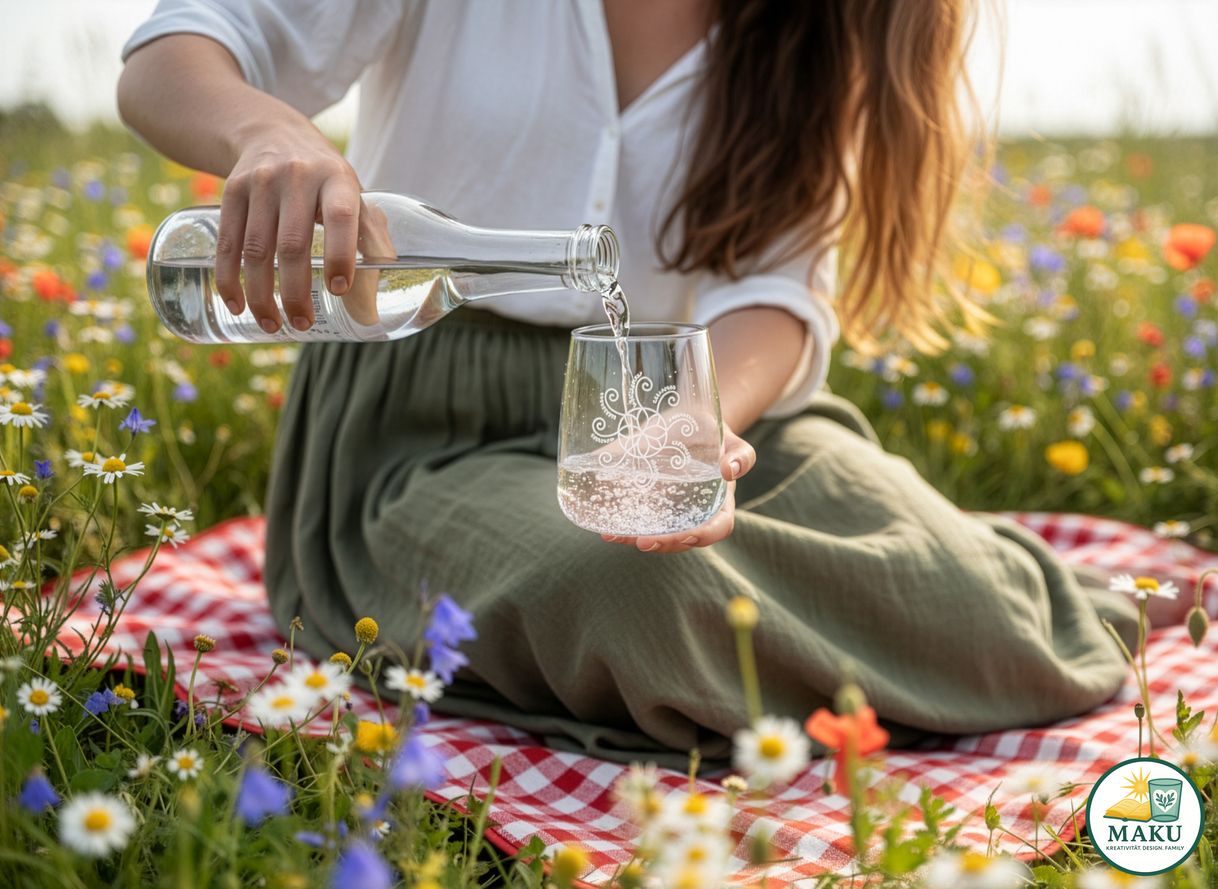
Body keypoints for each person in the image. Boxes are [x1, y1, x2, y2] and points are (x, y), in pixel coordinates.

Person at [119, 0, 1153, 768]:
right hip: (427, 430)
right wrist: (271, 132)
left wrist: (686, 428)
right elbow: (173, 58)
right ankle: (880, 648)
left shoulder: (820, 23)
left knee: (941, 577)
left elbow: (773, 296)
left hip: (693, 395)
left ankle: (1029, 605)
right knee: (637, 581)